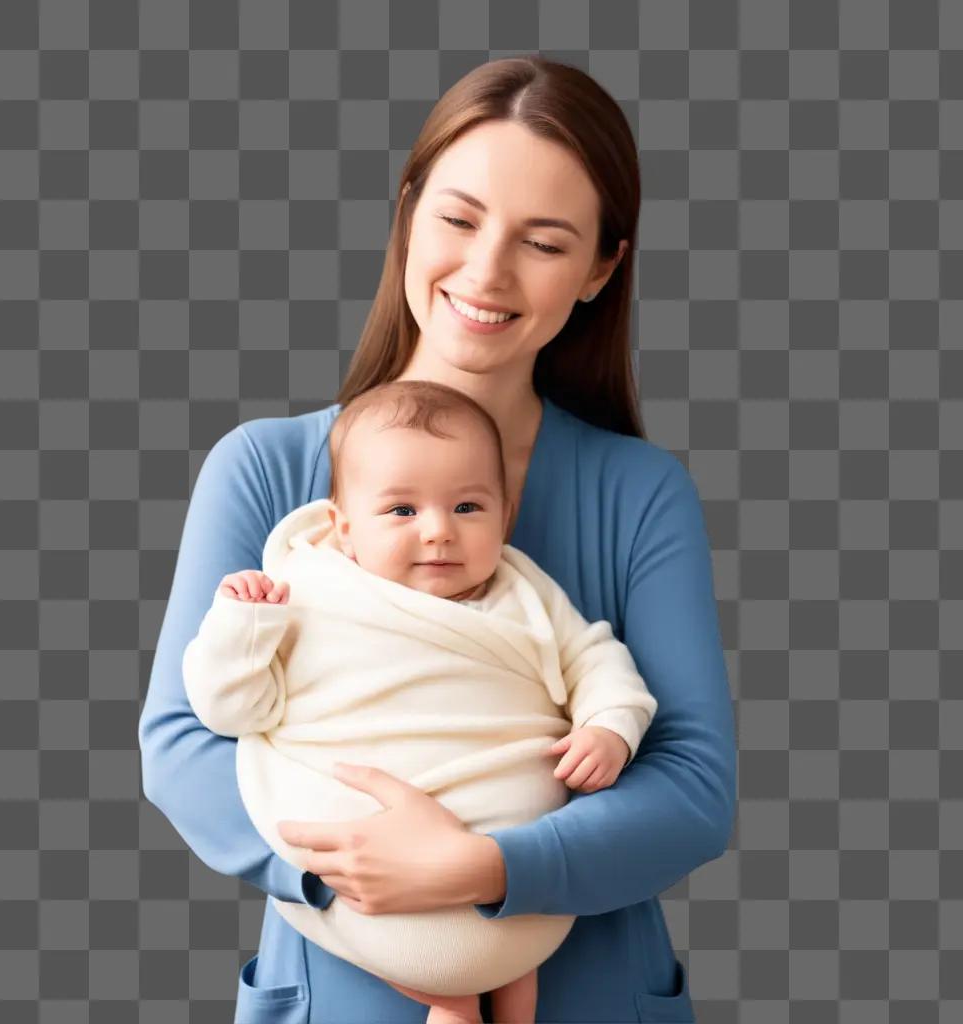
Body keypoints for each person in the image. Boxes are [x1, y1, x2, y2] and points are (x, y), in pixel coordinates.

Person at [139, 55, 737, 1024]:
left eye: (543, 242)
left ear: (599, 268)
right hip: (341, 983)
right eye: (458, 219)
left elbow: (693, 785)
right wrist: (367, 874)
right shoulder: (266, 469)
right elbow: (179, 745)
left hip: (589, 992)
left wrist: (486, 866)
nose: (486, 272)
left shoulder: (637, 492)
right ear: (407, 210)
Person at [180, 380, 659, 1024]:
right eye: (402, 511)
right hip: (367, 880)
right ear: (344, 528)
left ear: (505, 515)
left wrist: (610, 726)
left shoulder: (524, 592)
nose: (439, 532)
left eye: (468, 507)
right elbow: (228, 710)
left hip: (518, 868)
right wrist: (243, 625)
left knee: (513, 965)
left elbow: (596, 658)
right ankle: (455, 1000)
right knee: (472, 973)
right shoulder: (307, 592)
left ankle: (487, 990)